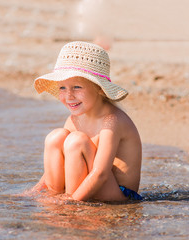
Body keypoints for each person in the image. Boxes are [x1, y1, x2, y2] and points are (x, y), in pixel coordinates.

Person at [31, 41, 142, 202]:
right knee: (56, 137)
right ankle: (54, 196)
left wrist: (71, 202)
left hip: (119, 193)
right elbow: (59, 162)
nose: (69, 96)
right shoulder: (74, 119)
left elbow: (101, 173)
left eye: (77, 87)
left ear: (99, 88)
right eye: (62, 88)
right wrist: (34, 191)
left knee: (77, 141)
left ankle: (70, 201)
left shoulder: (112, 121)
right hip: (89, 184)